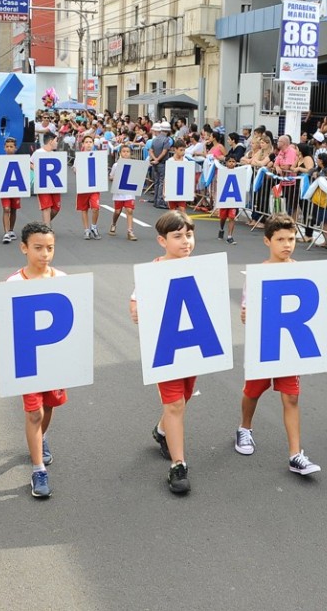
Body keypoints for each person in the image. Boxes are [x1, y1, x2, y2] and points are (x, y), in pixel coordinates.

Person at [234, 214, 321, 475]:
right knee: (253, 391)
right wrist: (246, 315)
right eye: (280, 239)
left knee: (291, 397)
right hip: (265, 345)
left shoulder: (301, 273)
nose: (287, 244)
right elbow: (247, 310)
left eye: (291, 239)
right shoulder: (258, 274)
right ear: (267, 241)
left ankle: (296, 454)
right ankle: (244, 428)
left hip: (290, 346)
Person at [130, 211, 198, 494]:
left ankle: (161, 431)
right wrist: (136, 309)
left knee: (183, 398)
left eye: (189, 235)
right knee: (175, 405)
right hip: (166, 347)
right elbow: (135, 301)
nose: (186, 242)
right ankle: (178, 466)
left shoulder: (201, 269)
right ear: (162, 240)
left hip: (193, 345)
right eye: (178, 236)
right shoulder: (153, 271)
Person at [5, 222, 68, 497]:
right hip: (28, 360)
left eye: (50, 248)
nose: (45, 254)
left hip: (54, 360)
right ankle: (38, 469)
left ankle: (41, 439)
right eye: (38, 248)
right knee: (34, 411)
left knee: (49, 407)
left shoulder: (62, 278)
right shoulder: (14, 283)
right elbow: (6, 323)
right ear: (24, 248)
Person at [108, 144, 138, 241]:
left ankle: (130, 231)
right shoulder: (116, 165)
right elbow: (111, 177)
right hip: (119, 192)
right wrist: (116, 178)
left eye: (128, 151)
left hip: (129, 191)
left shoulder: (134, 165)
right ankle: (113, 224)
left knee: (129, 210)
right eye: (124, 151)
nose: (126, 153)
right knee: (117, 211)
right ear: (120, 153)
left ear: (131, 153)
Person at [77, 135, 102, 239]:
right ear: (83, 144)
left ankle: (94, 227)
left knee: (95, 208)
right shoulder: (79, 156)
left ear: (93, 144)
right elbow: (75, 169)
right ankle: (86, 229)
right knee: (84, 209)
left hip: (94, 186)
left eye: (90, 142)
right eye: (86, 142)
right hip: (83, 186)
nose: (88, 144)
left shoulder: (98, 156)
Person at [0, 137, 22, 244]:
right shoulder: (0, 160)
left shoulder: (20, 160)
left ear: (15, 148)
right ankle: (6, 233)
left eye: (11, 147)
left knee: (13, 209)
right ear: (4, 148)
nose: (9, 149)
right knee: (6, 209)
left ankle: (11, 230)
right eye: (7, 146)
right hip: (5, 188)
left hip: (16, 187)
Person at [37, 131, 62, 225]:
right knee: (46, 207)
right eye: (56, 141)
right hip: (43, 183)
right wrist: (38, 170)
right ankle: (47, 228)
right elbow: (30, 163)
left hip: (54, 184)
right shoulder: (38, 152)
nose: (57, 143)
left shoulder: (55, 154)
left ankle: (44, 224)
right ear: (51, 141)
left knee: (56, 208)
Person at [149, 123, 172, 209]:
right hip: (162, 163)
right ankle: (159, 201)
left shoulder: (155, 139)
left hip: (155, 163)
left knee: (156, 182)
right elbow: (164, 151)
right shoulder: (166, 140)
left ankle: (155, 200)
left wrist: (155, 159)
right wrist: (158, 159)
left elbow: (151, 150)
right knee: (161, 182)